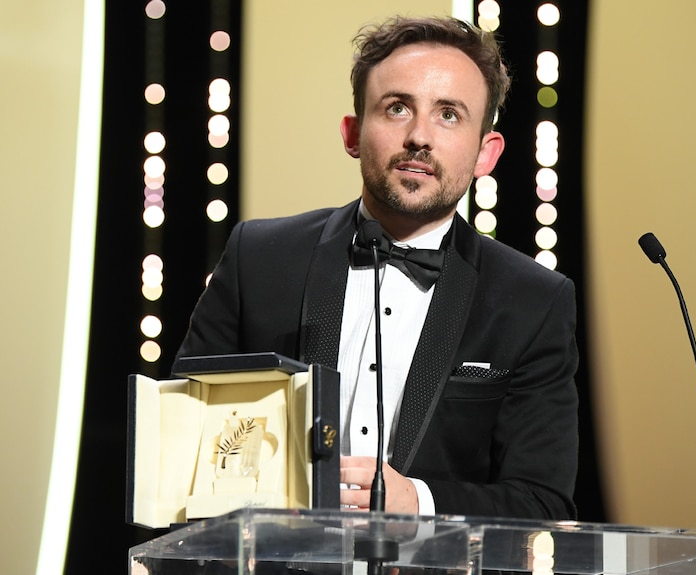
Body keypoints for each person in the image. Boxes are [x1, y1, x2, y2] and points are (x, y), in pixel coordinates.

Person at [174, 15, 579, 520]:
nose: (419, 137)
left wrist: (420, 501)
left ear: (485, 153)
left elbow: (542, 502)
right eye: (396, 108)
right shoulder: (258, 257)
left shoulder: (534, 301)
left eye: (449, 114)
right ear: (352, 133)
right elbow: (179, 447)